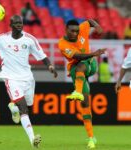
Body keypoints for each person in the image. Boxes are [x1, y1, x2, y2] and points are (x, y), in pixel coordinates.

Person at [0, 15, 57, 148]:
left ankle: (13, 108)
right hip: (11, 78)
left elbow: (42, 55)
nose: (19, 25)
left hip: (27, 78)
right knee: (24, 109)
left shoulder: (30, 40)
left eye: (20, 23)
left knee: (27, 107)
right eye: (16, 23)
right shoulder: (1, 39)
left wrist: (50, 66)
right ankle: (33, 140)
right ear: (10, 25)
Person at [58, 19, 106, 149]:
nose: (75, 33)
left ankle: (77, 91)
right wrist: (94, 53)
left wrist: (97, 25)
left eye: (76, 31)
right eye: (72, 31)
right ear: (66, 30)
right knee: (85, 103)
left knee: (81, 66)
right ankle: (91, 138)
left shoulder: (83, 28)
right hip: (76, 67)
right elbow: (78, 56)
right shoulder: (62, 44)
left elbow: (90, 21)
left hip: (91, 64)